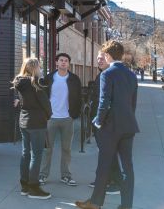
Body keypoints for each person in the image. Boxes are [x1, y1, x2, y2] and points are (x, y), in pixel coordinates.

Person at [76, 40, 139, 209]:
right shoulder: (131, 75)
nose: (102, 56)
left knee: (104, 167)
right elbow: (133, 104)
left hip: (110, 128)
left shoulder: (107, 74)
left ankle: (95, 203)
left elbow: (104, 102)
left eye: (103, 54)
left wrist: (97, 121)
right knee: (127, 168)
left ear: (108, 55)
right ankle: (126, 206)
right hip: (128, 126)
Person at [39, 52, 82, 186]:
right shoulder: (49, 78)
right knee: (47, 149)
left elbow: (79, 98)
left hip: (67, 119)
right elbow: (42, 96)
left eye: (66, 61)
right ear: (56, 63)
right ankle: (43, 175)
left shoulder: (74, 79)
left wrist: (73, 115)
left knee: (66, 149)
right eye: (61, 60)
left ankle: (66, 175)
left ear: (68, 64)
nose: (63, 62)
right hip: (51, 119)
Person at [12, 58, 52, 200]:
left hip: (24, 122)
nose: (40, 69)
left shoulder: (19, 82)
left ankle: (24, 186)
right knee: (36, 155)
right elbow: (46, 104)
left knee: (25, 153)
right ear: (35, 68)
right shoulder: (36, 82)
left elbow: (22, 102)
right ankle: (34, 187)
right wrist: (48, 115)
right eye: (39, 66)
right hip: (36, 123)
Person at [89, 51, 122, 195]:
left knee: (109, 153)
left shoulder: (110, 75)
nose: (99, 60)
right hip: (99, 120)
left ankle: (116, 182)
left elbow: (110, 101)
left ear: (109, 59)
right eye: (97, 58)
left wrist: (101, 120)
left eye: (102, 58)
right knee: (105, 152)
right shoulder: (101, 75)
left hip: (106, 122)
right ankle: (104, 179)